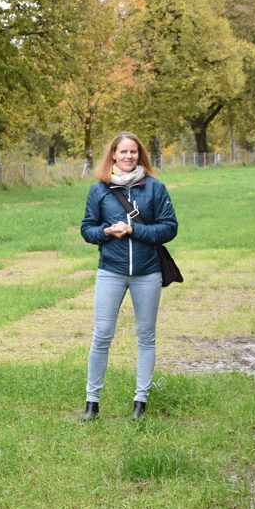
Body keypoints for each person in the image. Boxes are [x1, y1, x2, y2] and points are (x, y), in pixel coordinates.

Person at [79, 131, 178, 421]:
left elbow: (169, 228)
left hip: (147, 272)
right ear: (113, 155)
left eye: (133, 152)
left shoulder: (155, 189)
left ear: (140, 155)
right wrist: (106, 232)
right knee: (102, 335)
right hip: (111, 271)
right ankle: (92, 402)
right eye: (122, 152)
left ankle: (140, 401)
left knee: (146, 337)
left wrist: (136, 230)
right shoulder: (99, 190)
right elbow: (87, 229)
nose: (128, 157)